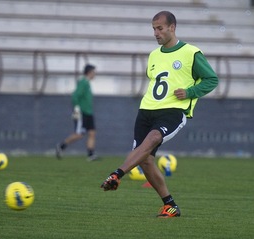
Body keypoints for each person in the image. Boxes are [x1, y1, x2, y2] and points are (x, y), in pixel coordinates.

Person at [100, 11, 218, 218]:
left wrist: (190, 92)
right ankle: (170, 206)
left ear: (172, 27)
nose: (156, 33)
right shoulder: (154, 55)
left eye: (160, 28)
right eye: (153, 29)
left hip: (173, 110)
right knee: (145, 161)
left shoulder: (191, 52)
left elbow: (211, 79)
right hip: (146, 110)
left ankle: (117, 174)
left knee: (154, 138)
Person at [56, 64, 98, 161]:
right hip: (82, 112)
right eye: (94, 72)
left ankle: (91, 155)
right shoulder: (83, 82)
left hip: (89, 112)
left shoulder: (87, 83)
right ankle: (61, 146)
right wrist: (77, 109)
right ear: (89, 72)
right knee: (79, 134)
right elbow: (75, 96)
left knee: (92, 133)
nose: (95, 74)